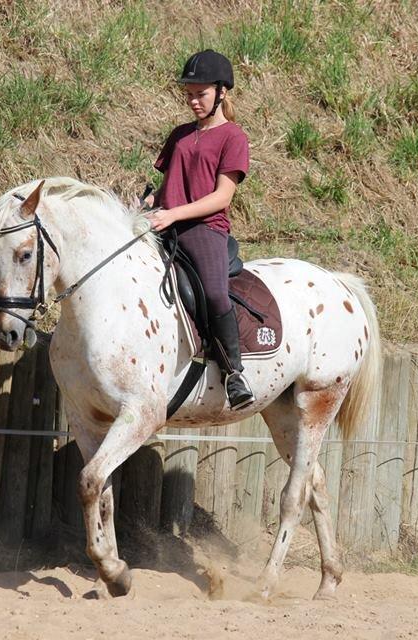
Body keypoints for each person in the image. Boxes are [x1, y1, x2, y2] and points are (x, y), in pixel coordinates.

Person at [145, 49, 255, 411]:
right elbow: (170, 185)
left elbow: (222, 197)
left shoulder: (233, 137)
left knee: (215, 294)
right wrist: (148, 203)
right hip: (165, 220)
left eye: (201, 94)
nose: (193, 101)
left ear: (221, 92)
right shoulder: (179, 134)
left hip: (204, 228)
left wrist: (173, 214)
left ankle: (234, 373)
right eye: (189, 94)